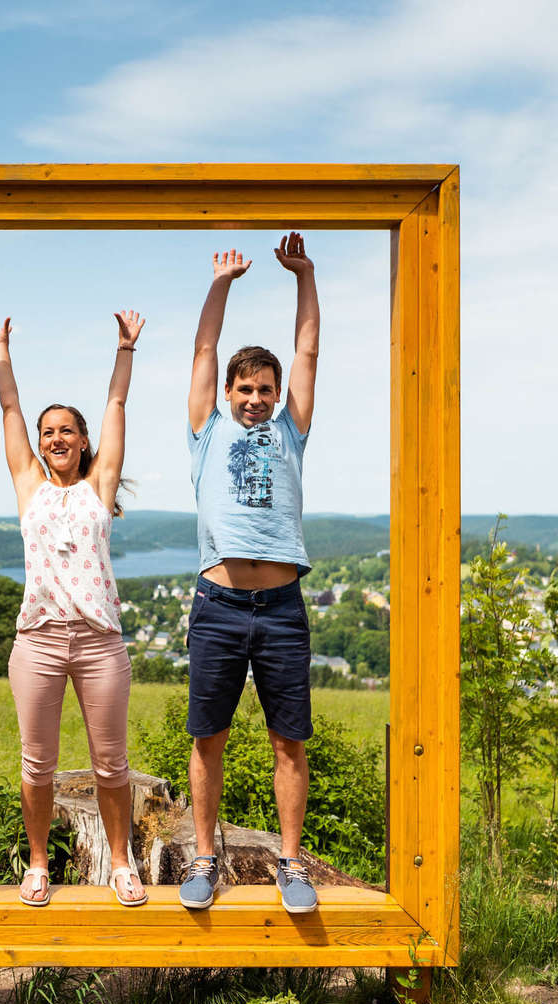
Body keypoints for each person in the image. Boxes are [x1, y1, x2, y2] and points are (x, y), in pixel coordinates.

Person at [179, 232, 321, 914]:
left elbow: (308, 351)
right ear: (229, 393)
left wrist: (304, 276)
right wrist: (224, 283)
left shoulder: (291, 429)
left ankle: (291, 863)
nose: (256, 398)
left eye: (265, 389)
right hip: (219, 605)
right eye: (247, 389)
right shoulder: (209, 429)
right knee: (209, 737)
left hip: (283, 607)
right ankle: (205, 856)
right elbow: (204, 350)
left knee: (288, 740)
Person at [0, 310, 147, 907]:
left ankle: (122, 862)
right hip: (38, 640)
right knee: (38, 767)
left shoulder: (98, 485)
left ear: (84, 442)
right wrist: (2, 354)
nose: (55, 439)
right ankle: (37, 866)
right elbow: (9, 411)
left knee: (111, 765)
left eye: (66, 431)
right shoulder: (28, 483)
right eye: (46, 431)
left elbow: (117, 406)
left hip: (99, 640)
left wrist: (124, 350)